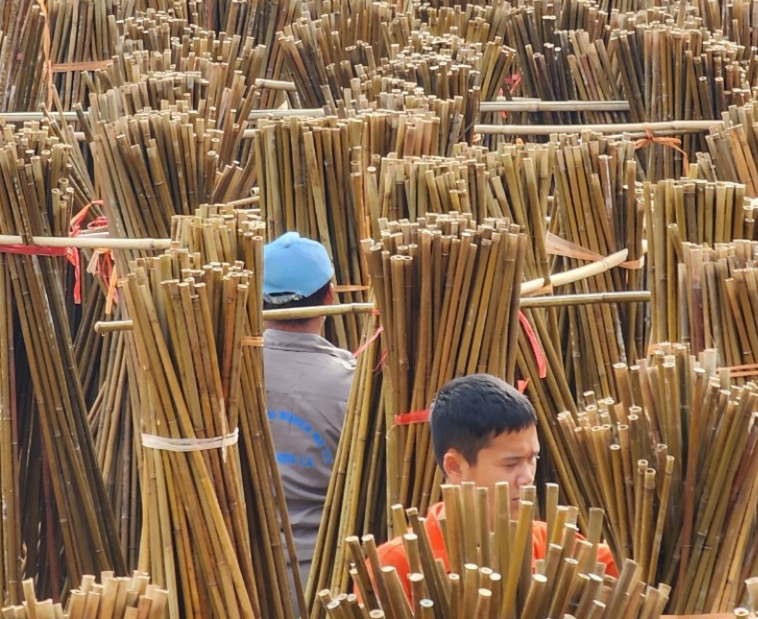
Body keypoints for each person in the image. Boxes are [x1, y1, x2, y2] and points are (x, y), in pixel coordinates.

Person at [375, 374, 617, 605]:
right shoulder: (395, 567)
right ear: (455, 466)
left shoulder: (555, 546)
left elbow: (630, 579)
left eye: (532, 458)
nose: (528, 478)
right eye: (511, 464)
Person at [262, 232, 357, 609]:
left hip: (237, 573)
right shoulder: (353, 386)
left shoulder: (221, 374)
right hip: (325, 580)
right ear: (330, 296)